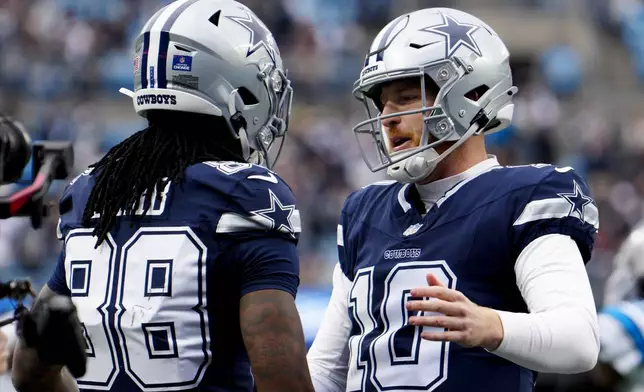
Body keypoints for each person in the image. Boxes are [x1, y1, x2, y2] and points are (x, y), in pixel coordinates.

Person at [11, 1, 314, 392]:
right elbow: (282, 378)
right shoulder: (247, 194)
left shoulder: (90, 189)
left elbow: (28, 371)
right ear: (234, 86)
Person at [306, 7, 599, 392]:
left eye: (407, 97)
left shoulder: (526, 197)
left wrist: (491, 326)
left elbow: (579, 342)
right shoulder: (364, 212)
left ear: (470, 95)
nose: (388, 118)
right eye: (382, 105)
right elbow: (327, 370)